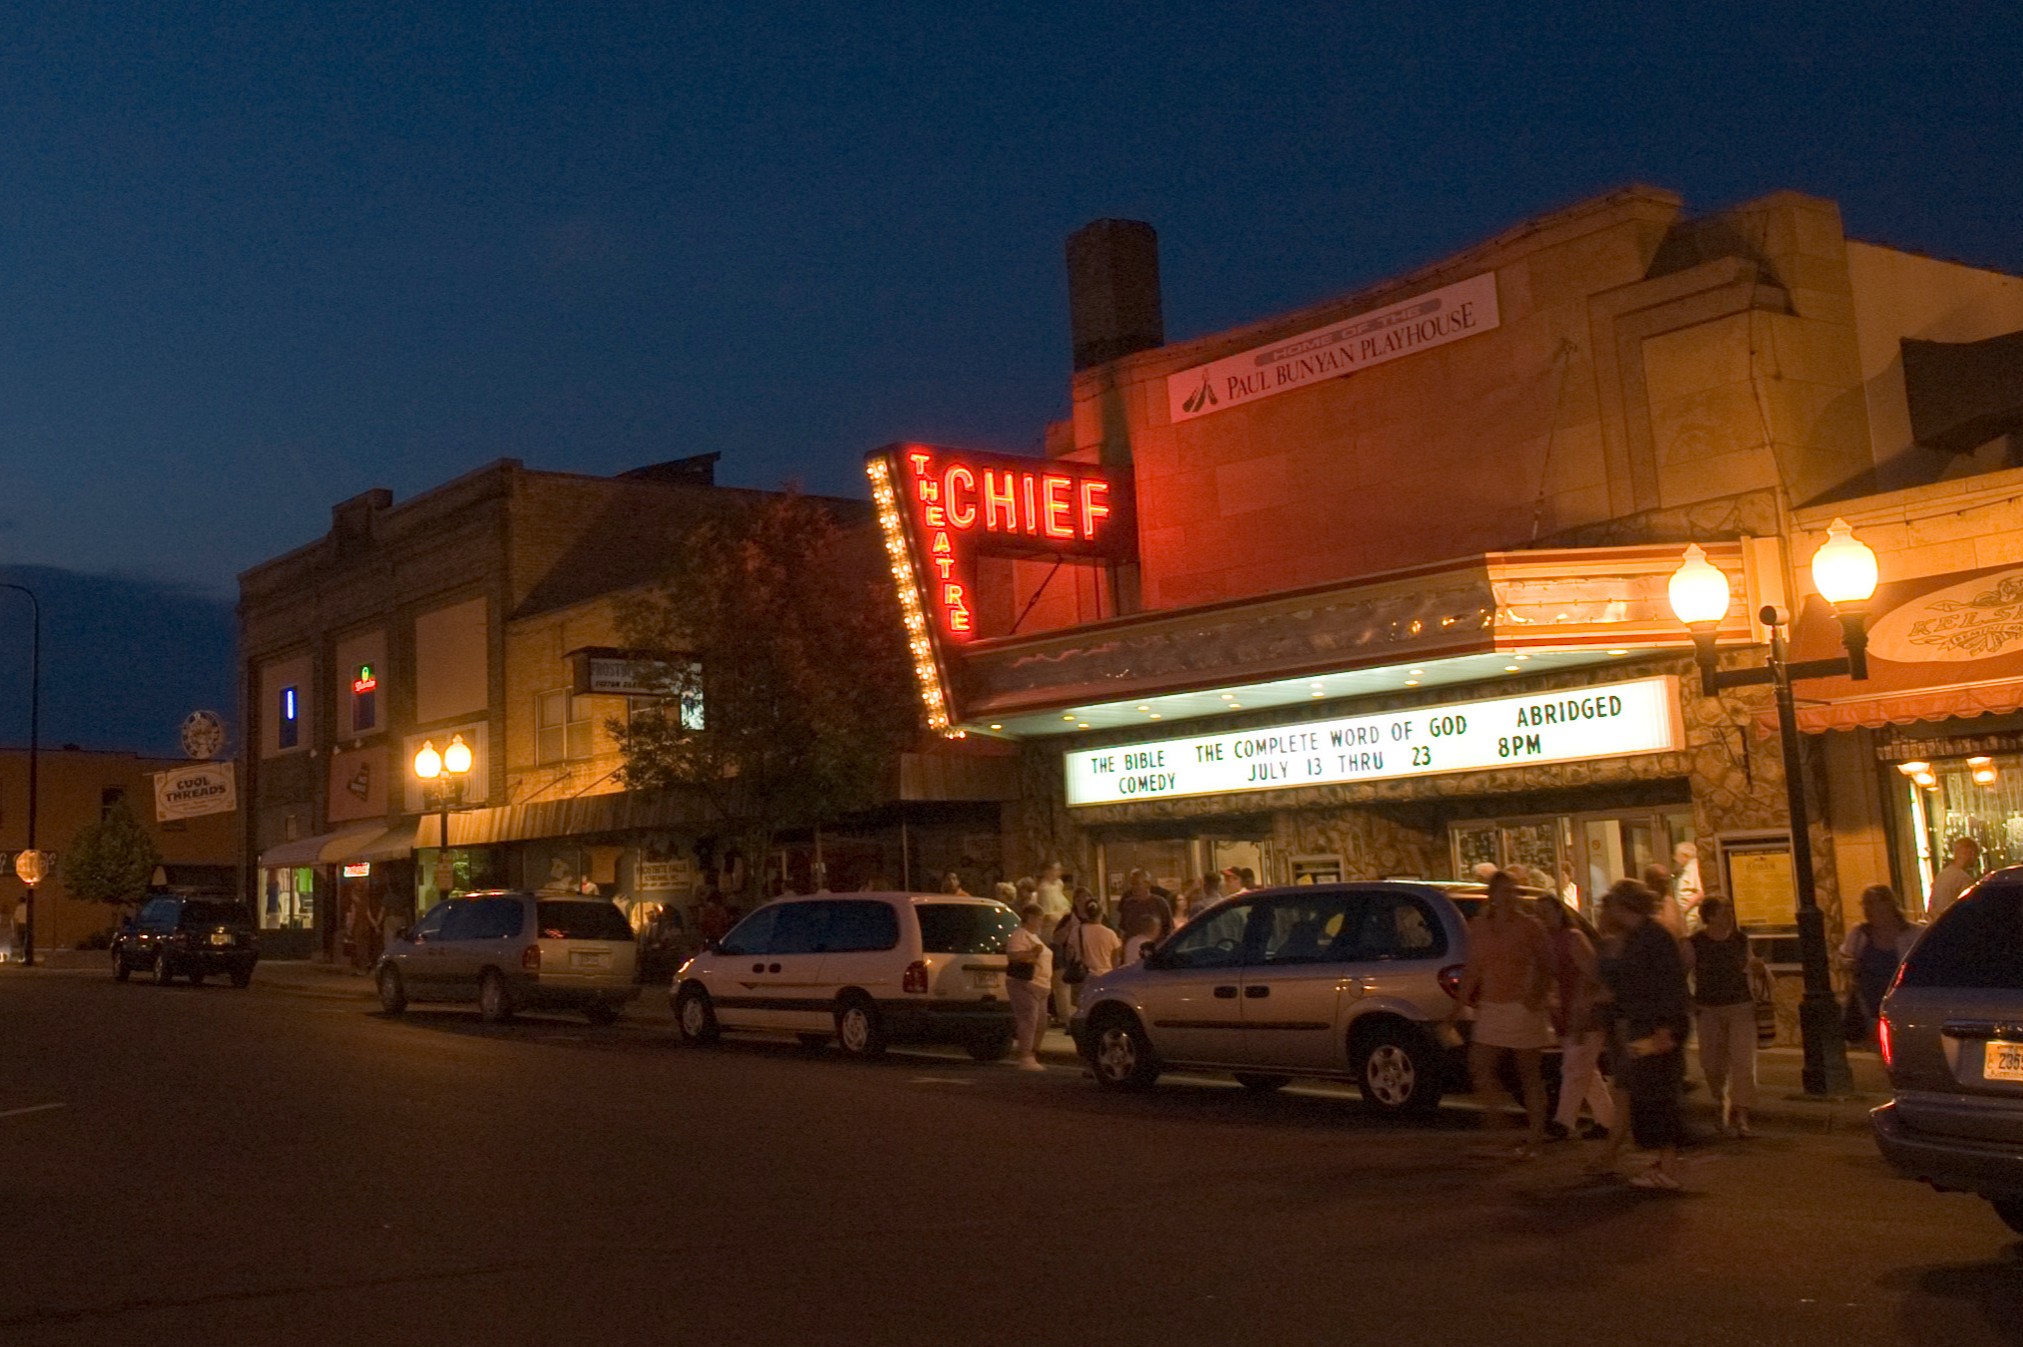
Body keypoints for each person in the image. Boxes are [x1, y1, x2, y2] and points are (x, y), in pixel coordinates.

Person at [1597, 879, 1691, 1189]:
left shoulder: (1654, 938)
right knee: (1647, 1092)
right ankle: (1665, 1161)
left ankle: (1668, 1166)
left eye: (1610, 905)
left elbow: (1669, 985)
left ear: (1624, 906)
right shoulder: (1634, 938)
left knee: (1657, 1092)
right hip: (1641, 1025)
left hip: (1655, 1027)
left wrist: (1666, 1027)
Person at [1456, 870, 1555, 1157]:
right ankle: (1500, 1130)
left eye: (1513, 891)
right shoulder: (1480, 926)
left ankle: (1534, 1138)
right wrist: (1459, 1004)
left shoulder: (1529, 926)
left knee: (1529, 1073)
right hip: (1492, 1005)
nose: (1510, 897)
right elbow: (1473, 967)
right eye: (1504, 891)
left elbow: (1547, 963)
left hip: (1521, 1006)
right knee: (1480, 1067)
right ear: (1493, 895)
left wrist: (1534, 998)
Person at [1687, 896, 1767, 1137]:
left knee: (1743, 1062)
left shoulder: (1740, 940)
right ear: (1709, 916)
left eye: (1730, 911)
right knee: (1712, 1063)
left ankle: (1742, 1116)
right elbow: (1683, 972)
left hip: (1740, 1005)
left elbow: (1749, 965)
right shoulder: (1696, 942)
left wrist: (1756, 968)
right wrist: (1688, 1000)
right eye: (1724, 912)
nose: (1729, 916)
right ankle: (1720, 1101)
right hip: (1709, 1008)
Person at [1538, 896, 1614, 1143]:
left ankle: (1563, 1121)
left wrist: (1583, 1009)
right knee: (1585, 1071)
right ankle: (1607, 1120)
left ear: (1559, 913)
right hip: (1565, 1014)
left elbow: (1592, 975)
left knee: (1573, 1067)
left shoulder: (1572, 938)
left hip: (1583, 1015)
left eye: (1547, 912)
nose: (1543, 917)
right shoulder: (1548, 942)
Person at [1839, 884, 1923, 1043]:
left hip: (1903, 1005)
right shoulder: (1860, 934)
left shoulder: (1913, 934)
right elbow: (1845, 956)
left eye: (1874, 903)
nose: (1869, 910)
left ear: (1889, 904)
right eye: (1865, 905)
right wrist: (1849, 963)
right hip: (1871, 1007)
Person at [1053, 892, 1122, 1017]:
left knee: (1084, 1010)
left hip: (1084, 976)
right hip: (1105, 976)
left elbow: (1070, 952)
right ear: (1100, 914)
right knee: (1103, 1010)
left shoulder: (1077, 930)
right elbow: (1116, 958)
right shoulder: (1110, 934)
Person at [1005, 903, 1053, 1070]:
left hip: (1040, 985)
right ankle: (1025, 1055)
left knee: (1041, 1022)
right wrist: (1033, 953)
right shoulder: (1020, 936)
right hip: (1026, 984)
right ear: (1031, 918)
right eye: (1039, 919)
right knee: (1029, 1020)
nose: (1040, 923)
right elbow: (1014, 956)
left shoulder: (1033, 937)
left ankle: (1033, 1053)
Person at [1928, 838, 1982, 919]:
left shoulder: (1941, 875)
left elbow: (1931, 906)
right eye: (1976, 855)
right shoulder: (1964, 879)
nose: (1976, 859)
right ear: (1971, 854)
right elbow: (1970, 910)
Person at [1117, 869, 1174, 941]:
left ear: (1147, 884)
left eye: (1137, 884)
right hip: (1134, 947)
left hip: (1155, 947)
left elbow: (1169, 928)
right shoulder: (1128, 904)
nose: (1134, 887)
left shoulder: (1160, 903)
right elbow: (1123, 929)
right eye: (1132, 884)